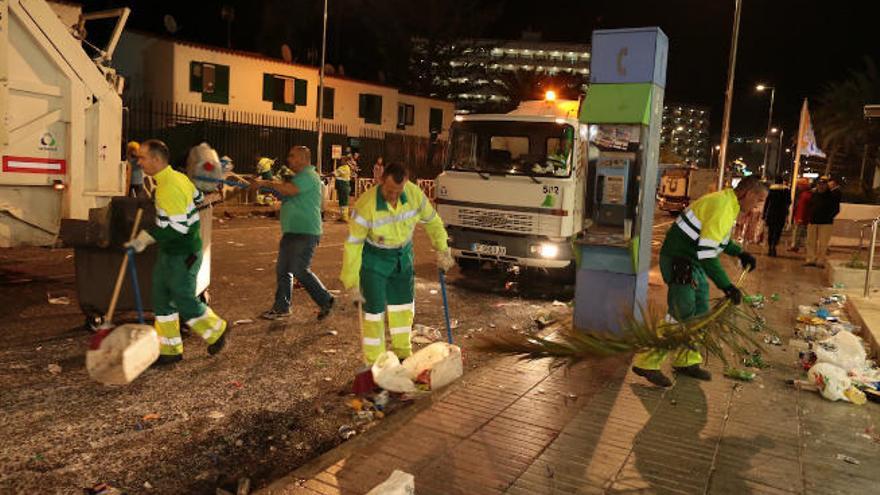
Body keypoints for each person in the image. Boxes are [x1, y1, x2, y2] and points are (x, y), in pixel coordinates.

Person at [632, 176, 766, 387]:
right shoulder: (722, 205)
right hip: (679, 260)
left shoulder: (728, 204)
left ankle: (686, 360)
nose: (757, 206)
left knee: (701, 310)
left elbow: (718, 239)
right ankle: (647, 362)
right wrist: (726, 286)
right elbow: (707, 254)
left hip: (690, 260)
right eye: (758, 200)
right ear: (748, 194)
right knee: (681, 311)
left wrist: (740, 253)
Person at [125, 139, 228, 365]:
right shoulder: (174, 179)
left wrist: (145, 238)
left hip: (183, 252)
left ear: (156, 159)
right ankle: (170, 350)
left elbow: (178, 229)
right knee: (161, 300)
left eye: (142, 157)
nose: (138, 162)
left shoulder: (169, 186)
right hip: (169, 252)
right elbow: (198, 197)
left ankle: (217, 330)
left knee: (183, 299)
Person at [341, 162, 454, 366]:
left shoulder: (413, 194)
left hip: (403, 257)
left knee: (403, 307)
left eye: (398, 191)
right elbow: (353, 245)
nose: (393, 196)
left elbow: (433, 221)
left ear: (406, 184)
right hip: (374, 259)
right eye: (390, 190)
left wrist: (442, 249)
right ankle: (376, 362)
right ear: (381, 181)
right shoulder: (366, 205)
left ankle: (403, 353)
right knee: (373, 313)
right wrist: (351, 281)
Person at [249, 146, 335, 321]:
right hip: (292, 231)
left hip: (305, 232)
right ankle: (282, 307)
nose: (289, 159)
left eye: (292, 156)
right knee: (283, 270)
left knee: (299, 270)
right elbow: (285, 193)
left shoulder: (309, 176)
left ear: (303, 159)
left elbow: (289, 191)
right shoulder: (298, 178)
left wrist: (265, 183)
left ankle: (326, 299)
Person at [805, 176, 841, 267]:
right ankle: (811, 259)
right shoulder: (814, 194)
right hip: (813, 221)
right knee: (810, 242)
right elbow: (809, 205)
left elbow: (836, 209)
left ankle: (820, 260)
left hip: (826, 223)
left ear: (826, 186)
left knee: (823, 243)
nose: (821, 186)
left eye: (823, 185)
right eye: (819, 184)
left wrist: (828, 217)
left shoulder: (832, 196)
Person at [762, 177, 791, 257]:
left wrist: (764, 214)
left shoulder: (771, 190)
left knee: (771, 231)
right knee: (778, 231)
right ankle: (774, 245)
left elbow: (767, 203)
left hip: (771, 212)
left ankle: (770, 246)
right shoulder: (786, 190)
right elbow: (789, 202)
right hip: (781, 213)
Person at [789, 178, 812, 253]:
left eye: (799, 185)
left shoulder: (804, 195)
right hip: (803, 217)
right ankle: (798, 246)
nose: (798, 187)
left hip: (801, 218)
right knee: (802, 233)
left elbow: (802, 207)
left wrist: (800, 218)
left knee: (798, 232)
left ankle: (795, 246)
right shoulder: (807, 194)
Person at [334, 156, 353, 222]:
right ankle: (342, 216)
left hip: (343, 187)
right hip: (342, 187)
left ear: (345, 161)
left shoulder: (344, 168)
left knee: (344, 202)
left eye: (342, 160)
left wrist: (324, 176)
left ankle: (345, 217)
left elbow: (334, 174)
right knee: (342, 202)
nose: (341, 161)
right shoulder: (346, 167)